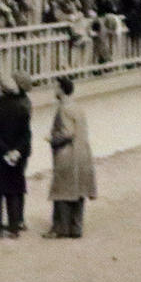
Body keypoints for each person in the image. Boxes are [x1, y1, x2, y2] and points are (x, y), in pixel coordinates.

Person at [44, 76, 96, 238]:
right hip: (82, 153)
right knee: (78, 191)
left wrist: (53, 139)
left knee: (62, 191)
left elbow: (67, 132)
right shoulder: (77, 107)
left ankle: (61, 228)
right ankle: (76, 227)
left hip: (67, 154)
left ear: (61, 90)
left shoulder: (63, 108)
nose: (54, 90)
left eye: (56, 87)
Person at [0, 73, 31, 239]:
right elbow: (26, 135)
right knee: (13, 191)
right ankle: (14, 227)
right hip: (16, 155)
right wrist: (16, 151)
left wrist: (5, 151)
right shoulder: (22, 108)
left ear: (1, 89)